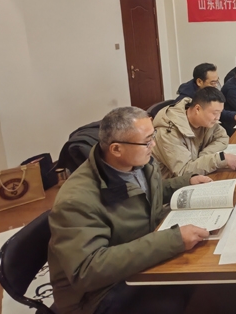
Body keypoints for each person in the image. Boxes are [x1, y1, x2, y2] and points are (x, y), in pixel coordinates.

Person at [48, 107, 211, 314]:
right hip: (96, 296)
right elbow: (86, 271)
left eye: (153, 136)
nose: (153, 145)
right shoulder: (76, 200)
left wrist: (186, 182)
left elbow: (148, 192)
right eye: (147, 141)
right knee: (190, 286)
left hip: (132, 256)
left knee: (199, 267)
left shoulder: (138, 163)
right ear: (116, 149)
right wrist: (172, 240)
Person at [152, 87, 236, 178]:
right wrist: (220, 159)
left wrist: (204, 156)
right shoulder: (168, 132)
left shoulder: (205, 121)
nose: (218, 118)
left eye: (220, 113)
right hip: (173, 182)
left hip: (197, 175)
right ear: (197, 109)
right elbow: (183, 172)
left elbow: (222, 137)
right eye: (215, 113)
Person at [175, 63, 236, 130]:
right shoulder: (185, 102)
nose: (216, 86)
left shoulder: (206, 93)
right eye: (212, 83)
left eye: (217, 81)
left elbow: (216, 111)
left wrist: (234, 115)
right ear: (199, 82)